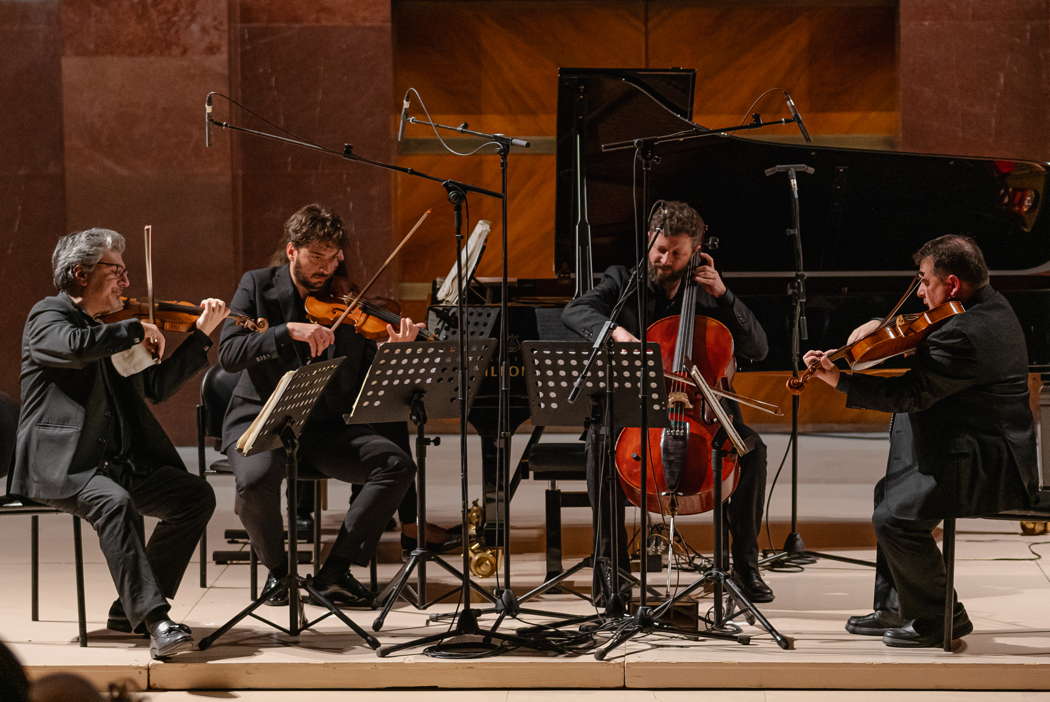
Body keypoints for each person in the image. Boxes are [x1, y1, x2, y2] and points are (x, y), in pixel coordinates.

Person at [803, 234, 1039, 647]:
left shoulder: (963, 333)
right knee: (888, 496)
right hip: (964, 440)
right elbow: (928, 347)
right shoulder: (990, 304)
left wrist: (839, 379)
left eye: (924, 280)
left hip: (980, 458)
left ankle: (941, 618)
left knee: (896, 520)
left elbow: (911, 394)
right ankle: (895, 606)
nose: (919, 291)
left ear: (951, 285)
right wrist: (881, 328)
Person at [11, 228, 223, 659]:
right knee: (113, 502)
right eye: (117, 272)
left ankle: (127, 612)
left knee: (194, 496)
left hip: (114, 462)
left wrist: (201, 334)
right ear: (80, 273)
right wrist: (132, 329)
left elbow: (158, 386)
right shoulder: (49, 317)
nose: (126, 284)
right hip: (64, 465)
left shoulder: (110, 329)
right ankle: (155, 621)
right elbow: (73, 347)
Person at [561, 200, 774, 604]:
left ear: (695, 250)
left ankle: (744, 567)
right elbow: (576, 310)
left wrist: (725, 294)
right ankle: (612, 573)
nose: (664, 259)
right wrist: (616, 333)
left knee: (753, 451)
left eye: (676, 253)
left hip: (703, 411)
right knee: (600, 446)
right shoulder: (622, 281)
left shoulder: (711, 295)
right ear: (649, 240)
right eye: (660, 249)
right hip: (636, 410)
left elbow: (758, 349)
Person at [220, 203, 422, 608]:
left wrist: (390, 352)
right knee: (255, 482)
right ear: (292, 251)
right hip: (263, 418)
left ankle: (335, 572)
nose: (326, 268)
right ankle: (278, 575)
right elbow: (228, 352)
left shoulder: (346, 301)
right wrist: (284, 331)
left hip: (324, 426)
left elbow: (362, 374)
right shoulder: (258, 286)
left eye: (333, 258)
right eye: (316, 257)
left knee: (395, 466)